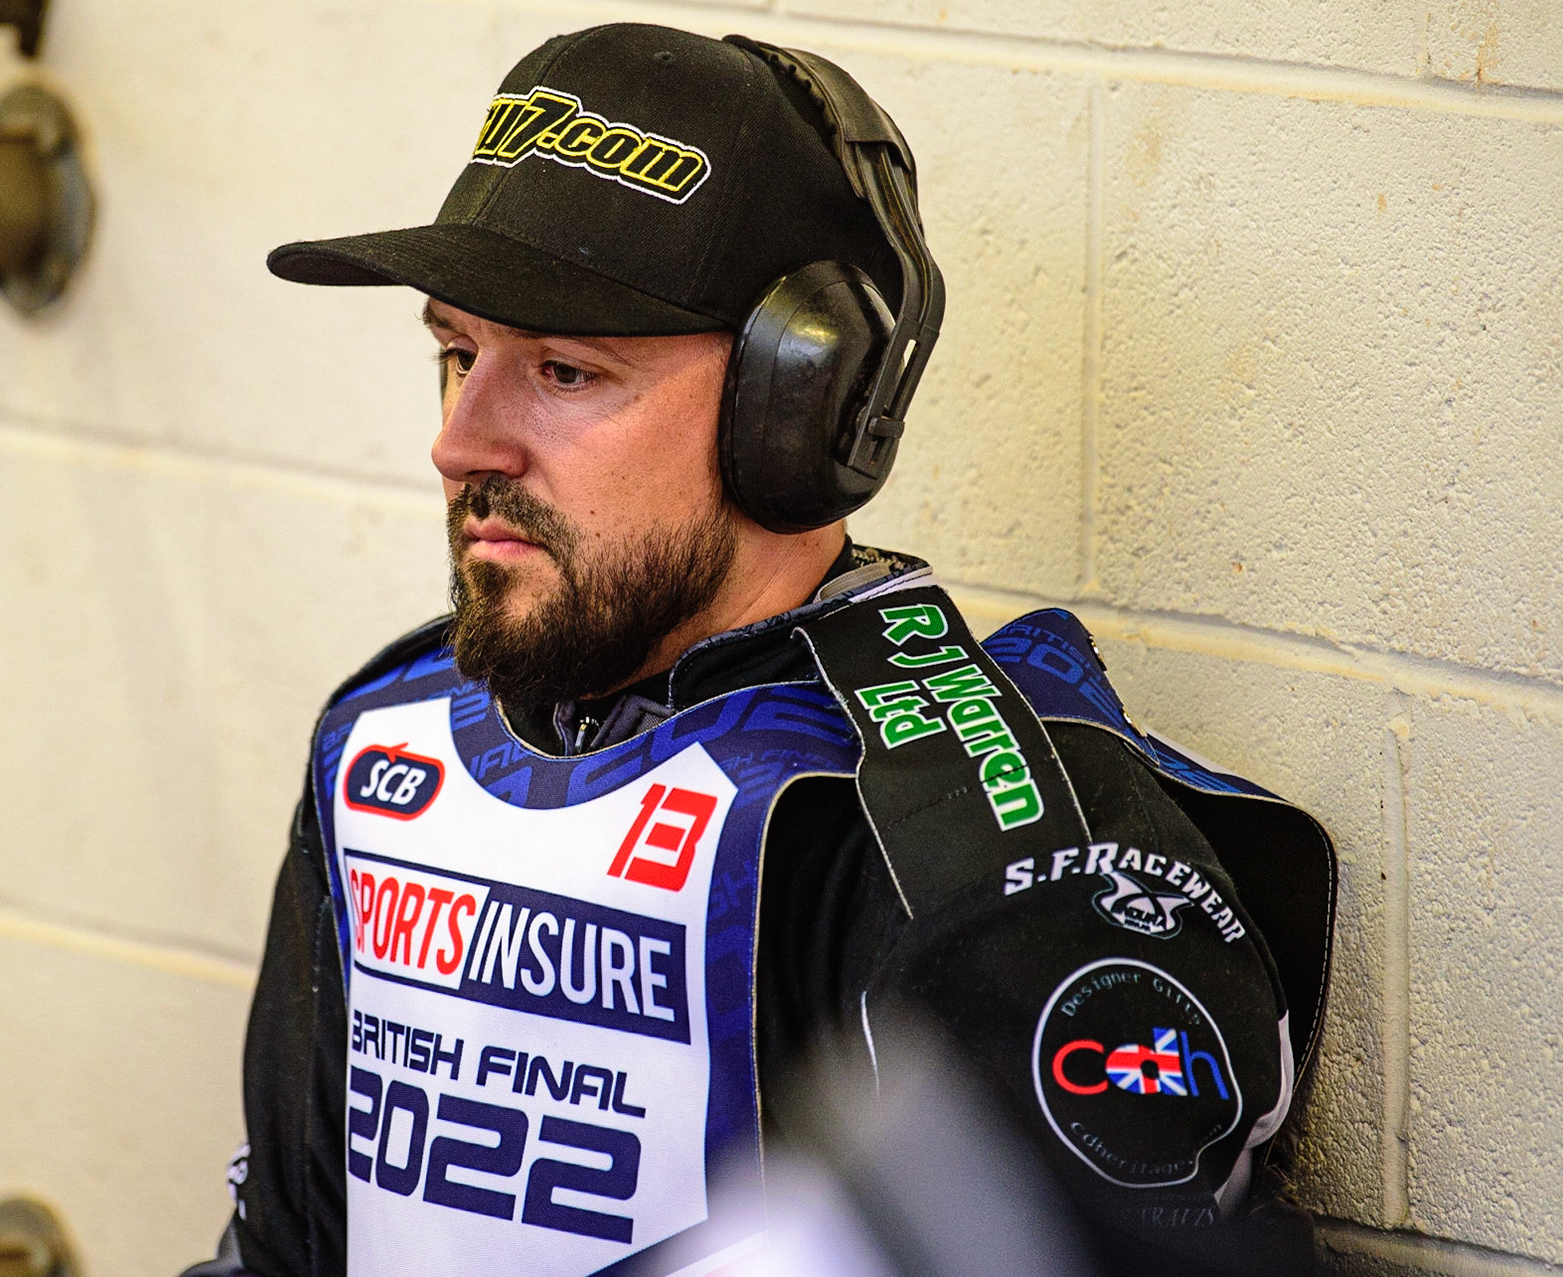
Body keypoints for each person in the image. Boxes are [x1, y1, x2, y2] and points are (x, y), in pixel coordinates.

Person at [191, 23, 1336, 1277]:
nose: (461, 442)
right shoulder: (385, 737)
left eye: (564, 370)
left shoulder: (971, 840)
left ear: (798, 407)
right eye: (458, 353)